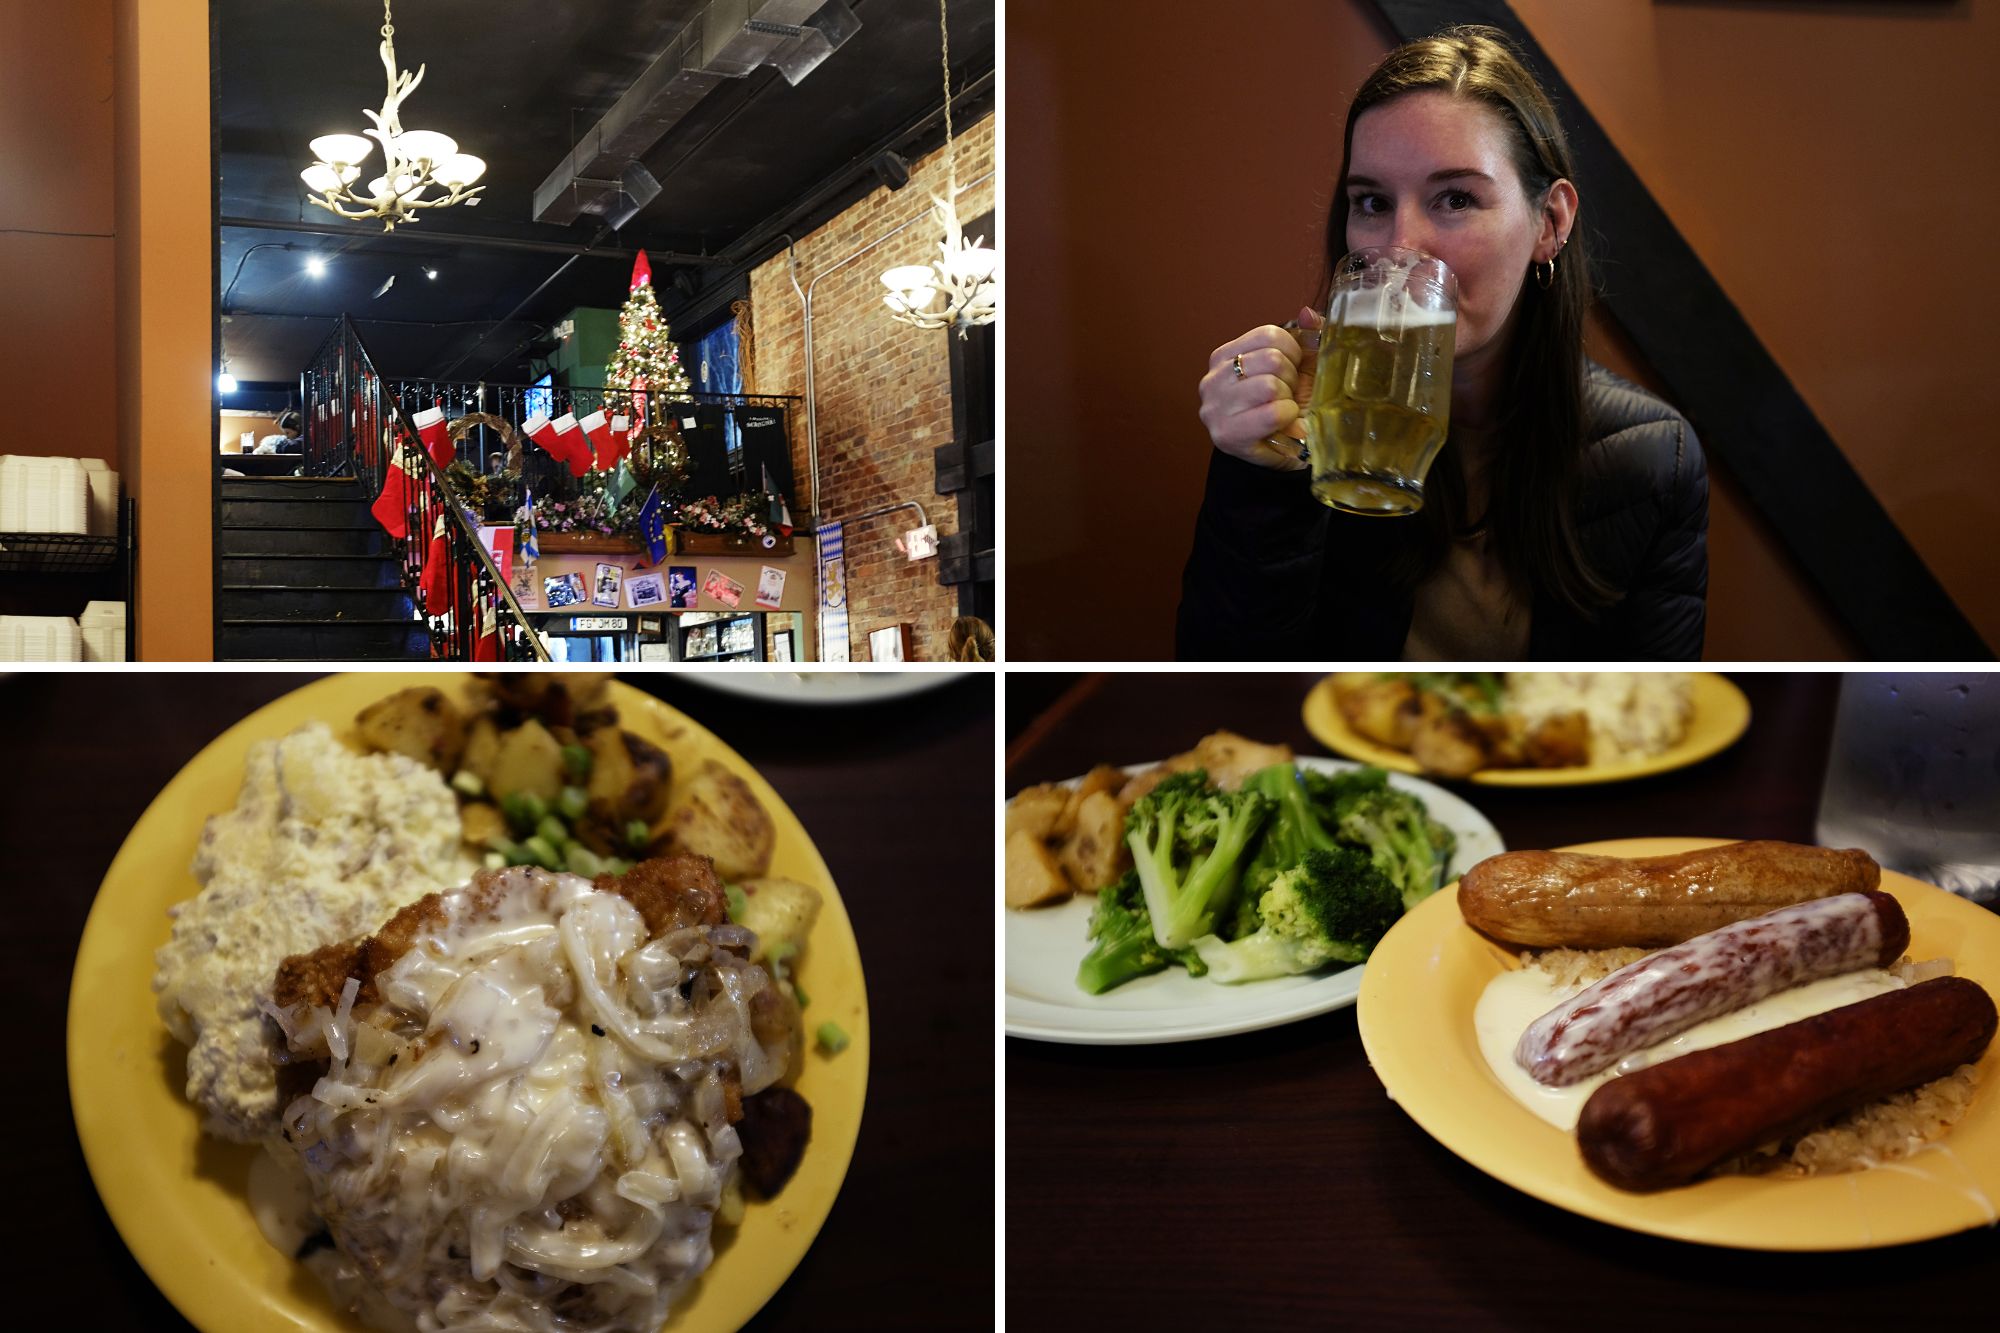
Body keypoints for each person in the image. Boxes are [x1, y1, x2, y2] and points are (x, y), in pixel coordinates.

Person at [1181, 25, 1706, 660]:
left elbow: (1649, 718)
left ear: (1551, 223)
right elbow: (1232, 681)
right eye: (1371, 202)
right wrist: (1260, 477)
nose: (1401, 246)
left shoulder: (1654, 458)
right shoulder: (1303, 424)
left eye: (1455, 198)